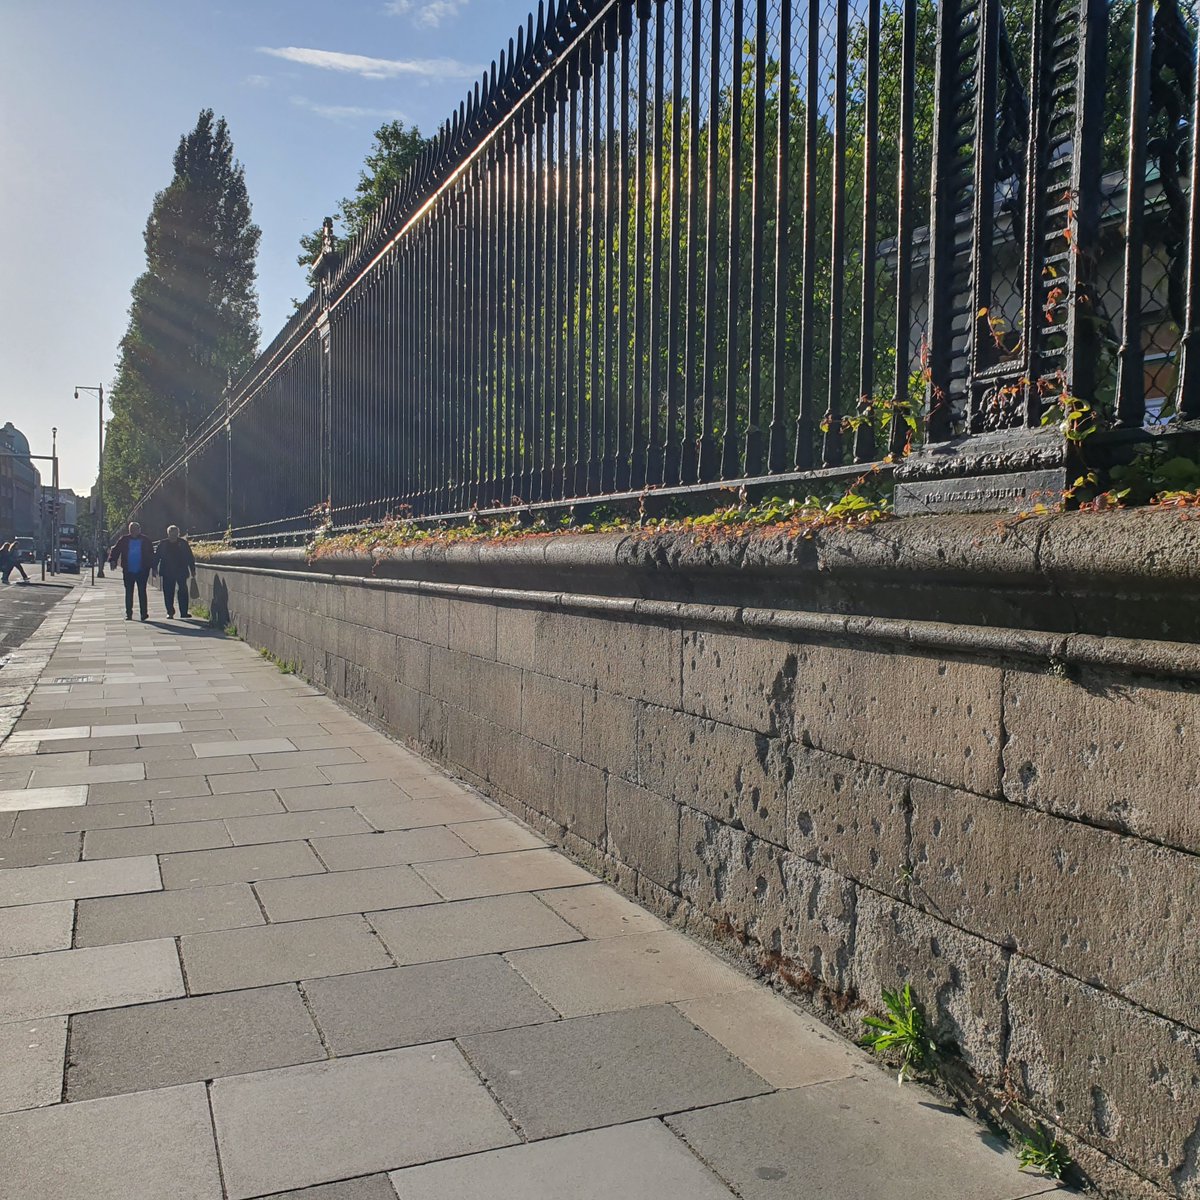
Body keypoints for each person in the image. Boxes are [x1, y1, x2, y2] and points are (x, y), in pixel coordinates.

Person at [108, 521, 155, 621]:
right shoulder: (124, 540)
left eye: (135, 529)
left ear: (139, 530)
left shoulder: (145, 540)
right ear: (129, 530)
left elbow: (151, 554)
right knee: (129, 592)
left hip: (142, 570)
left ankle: (144, 613)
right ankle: (129, 613)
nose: (133, 531)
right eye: (131, 529)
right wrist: (113, 560)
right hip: (128, 570)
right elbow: (116, 550)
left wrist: (153, 567)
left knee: (142, 591)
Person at [153, 525, 196, 619]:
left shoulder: (183, 543)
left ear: (178, 534)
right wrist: (154, 568)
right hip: (167, 572)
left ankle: (184, 612)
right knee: (168, 592)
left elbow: (189, 557)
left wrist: (192, 569)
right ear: (168, 534)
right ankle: (170, 612)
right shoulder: (163, 544)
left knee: (183, 591)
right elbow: (157, 557)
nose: (173, 536)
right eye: (171, 534)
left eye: (175, 534)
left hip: (181, 571)